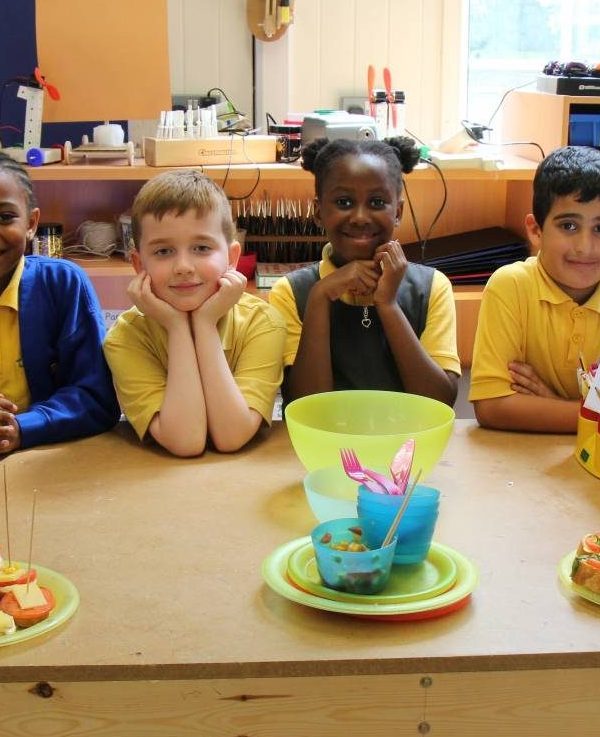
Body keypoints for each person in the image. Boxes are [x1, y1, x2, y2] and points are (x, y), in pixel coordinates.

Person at [103, 169, 286, 457]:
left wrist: (204, 324)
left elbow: (232, 436)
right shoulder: (125, 338)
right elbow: (186, 441)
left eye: (201, 248)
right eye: (163, 252)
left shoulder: (262, 323)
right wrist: (177, 327)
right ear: (139, 265)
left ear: (232, 257)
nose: (183, 267)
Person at [268, 137, 460, 405]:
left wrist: (388, 304)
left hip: (405, 433)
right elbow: (304, 405)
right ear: (318, 212)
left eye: (377, 202)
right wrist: (320, 297)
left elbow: (440, 401)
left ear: (398, 212)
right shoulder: (290, 292)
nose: (360, 217)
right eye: (344, 202)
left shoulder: (432, 287)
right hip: (327, 433)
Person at [469, 145, 600, 433]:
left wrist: (551, 404)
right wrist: (586, 414)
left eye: (599, 229)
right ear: (536, 230)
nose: (586, 247)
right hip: (526, 456)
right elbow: (492, 406)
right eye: (569, 226)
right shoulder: (511, 286)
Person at [0, 152, 120, 453]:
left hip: (44, 454)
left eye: (4, 218)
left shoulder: (62, 284)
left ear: (31, 223)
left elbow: (95, 398)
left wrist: (21, 428)